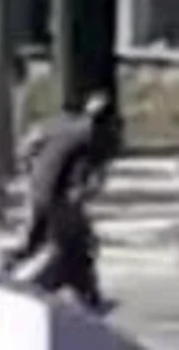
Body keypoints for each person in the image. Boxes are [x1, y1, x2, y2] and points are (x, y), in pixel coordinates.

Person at [14, 91, 119, 309]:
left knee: (39, 244)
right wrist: (78, 204)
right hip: (58, 198)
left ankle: (85, 292)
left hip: (36, 190)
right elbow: (83, 180)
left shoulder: (60, 125)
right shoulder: (94, 136)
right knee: (73, 246)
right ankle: (74, 293)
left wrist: (31, 173)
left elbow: (28, 147)